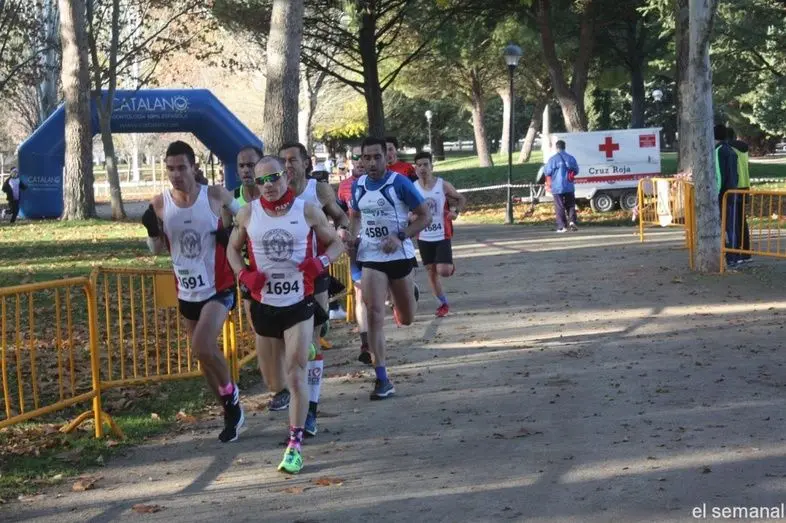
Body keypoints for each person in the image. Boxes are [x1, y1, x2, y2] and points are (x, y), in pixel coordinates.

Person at [227, 156, 344, 474]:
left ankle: (295, 446)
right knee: (274, 382)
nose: (268, 185)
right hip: (264, 304)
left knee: (295, 374)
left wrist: (319, 263)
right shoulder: (247, 214)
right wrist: (244, 275)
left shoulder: (307, 211)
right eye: (261, 180)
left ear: (286, 177)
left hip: (298, 302)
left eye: (274, 178)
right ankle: (303, 349)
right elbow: (232, 250)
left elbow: (335, 244)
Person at [142, 141, 244, 443]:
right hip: (186, 291)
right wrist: (151, 231)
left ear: (193, 167)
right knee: (203, 359)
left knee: (202, 346)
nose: (176, 174)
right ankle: (229, 410)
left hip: (218, 286)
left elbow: (246, 220)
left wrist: (231, 235)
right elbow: (156, 249)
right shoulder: (160, 203)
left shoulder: (214, 195)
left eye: (181, 168)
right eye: (170, 169)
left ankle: (232, 396)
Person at [348, 137, 431, 399]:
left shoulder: (399, 183)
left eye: (377, 157)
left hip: (398, 255)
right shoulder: (358, 185)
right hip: (371, 255)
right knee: (373, 312)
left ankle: (407, 293)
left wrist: (400, 236)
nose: (372, 163)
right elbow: (355, 216)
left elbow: (425, 216)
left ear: (387, 157)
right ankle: (382, 378)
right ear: (361, 160)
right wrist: (352, 236)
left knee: (406, 319)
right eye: (367, 158)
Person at [280, 142, 350, 436]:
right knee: (291, 347)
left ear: (306, 163)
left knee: (312, 343)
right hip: (283, 280)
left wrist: (341, 232)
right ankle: (291, 393)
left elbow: (341, 217)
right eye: (283, 161)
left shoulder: (317, 190)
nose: (288, 166)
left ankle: (311, 410)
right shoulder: (274, 192)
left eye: (293, 160)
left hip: (315, 272)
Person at [221, 146, 290, 413]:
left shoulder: (276, 194)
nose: (247, 171)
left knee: (284, 331)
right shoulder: (233, 199)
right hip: (252, 276)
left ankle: (290, 375)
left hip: (283, 273)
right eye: (242, 166)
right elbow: (228, 239)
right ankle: (279, 388)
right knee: (262, 330)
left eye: (251, 165)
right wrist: (242, 272)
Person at [413, 151, 466, 317]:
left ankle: (448, 266)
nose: (422, 168)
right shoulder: (413, 187)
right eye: (419, 165)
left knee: (443, 270)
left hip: (442, 234)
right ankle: (443, 303)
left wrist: (455, 212)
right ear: (415, 169)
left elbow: (461, 198)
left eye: (425, 164)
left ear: (432, 167)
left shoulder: (442, 185)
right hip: (423, 235)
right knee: (431, 271)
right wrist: (410, 216)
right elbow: (406, 208)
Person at [338, 146, 372, 364]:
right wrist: (343, 232)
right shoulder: (344, 187)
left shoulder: (388, 182)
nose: (360, 161)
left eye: (364, 157)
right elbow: (340, 214)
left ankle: (400, 292)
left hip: (385, 249)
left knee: (380, 294)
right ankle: (366, 343)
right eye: (356, 158)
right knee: (361, 294)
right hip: (357, 246)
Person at [715, 124, 741, 266]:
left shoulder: (719, 151)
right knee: (731, 225)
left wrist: (717, 192)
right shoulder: (731, 150)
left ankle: (730, 256)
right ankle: (733, 255)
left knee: (725, 225)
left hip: (724, 193)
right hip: (732, 191)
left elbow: (720, 174)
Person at [544, 140, 579, 233]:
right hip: (569, 186)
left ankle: (562, 226)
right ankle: (572, 221)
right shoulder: (571, 158)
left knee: (559, 206)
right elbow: (576, 170)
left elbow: (547, 172)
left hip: (557, 187)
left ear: (556, 148)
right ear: (564, 147)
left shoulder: (552, 159)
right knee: (571, 205)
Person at [728, 128, 752, 263]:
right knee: (741, 220)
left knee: (733, 221)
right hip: (745, 185)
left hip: (734, 186)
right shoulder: (743, 148)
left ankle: (736, 251)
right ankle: (746, 252)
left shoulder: (728, 149)